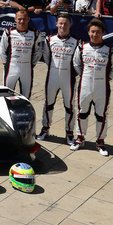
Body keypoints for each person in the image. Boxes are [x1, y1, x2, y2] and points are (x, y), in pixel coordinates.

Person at [71, 18, 113, 156]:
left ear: (103, 33)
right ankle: (80, 139)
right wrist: (84, 76)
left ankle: (100, 141)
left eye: (98, 32)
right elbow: (76, 64)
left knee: (101, 115)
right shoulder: (82, 47)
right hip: (85, 85)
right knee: (82, 112)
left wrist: (107, 78)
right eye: (92, 32)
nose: (95, 34)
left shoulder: (110, 49)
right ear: (88, 32)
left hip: (102, 87)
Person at [38, 13, 79, 144]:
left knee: (69, 106)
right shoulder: (49, 39)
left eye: (66, 24)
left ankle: (69, 133)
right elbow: (47, 58)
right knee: (49, 104)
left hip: (69, 78)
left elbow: (78, 62)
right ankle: (45, 129)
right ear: (56, 24)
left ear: (70, 25)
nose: (63, 26)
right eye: (60, 23)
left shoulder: (77, 42)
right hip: (52, 76)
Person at [0, 9, 41, 98]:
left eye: (24, 19)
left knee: (26, 96)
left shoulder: (35, 33)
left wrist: (32, 64)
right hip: (11, 67)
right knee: (6, 95)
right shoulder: (8, 32)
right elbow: (2, 50)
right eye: (19, 19)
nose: (22, 21)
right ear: (15, 19)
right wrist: (6, 64)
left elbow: (38, 51)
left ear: (28, 19)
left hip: (27, 68)